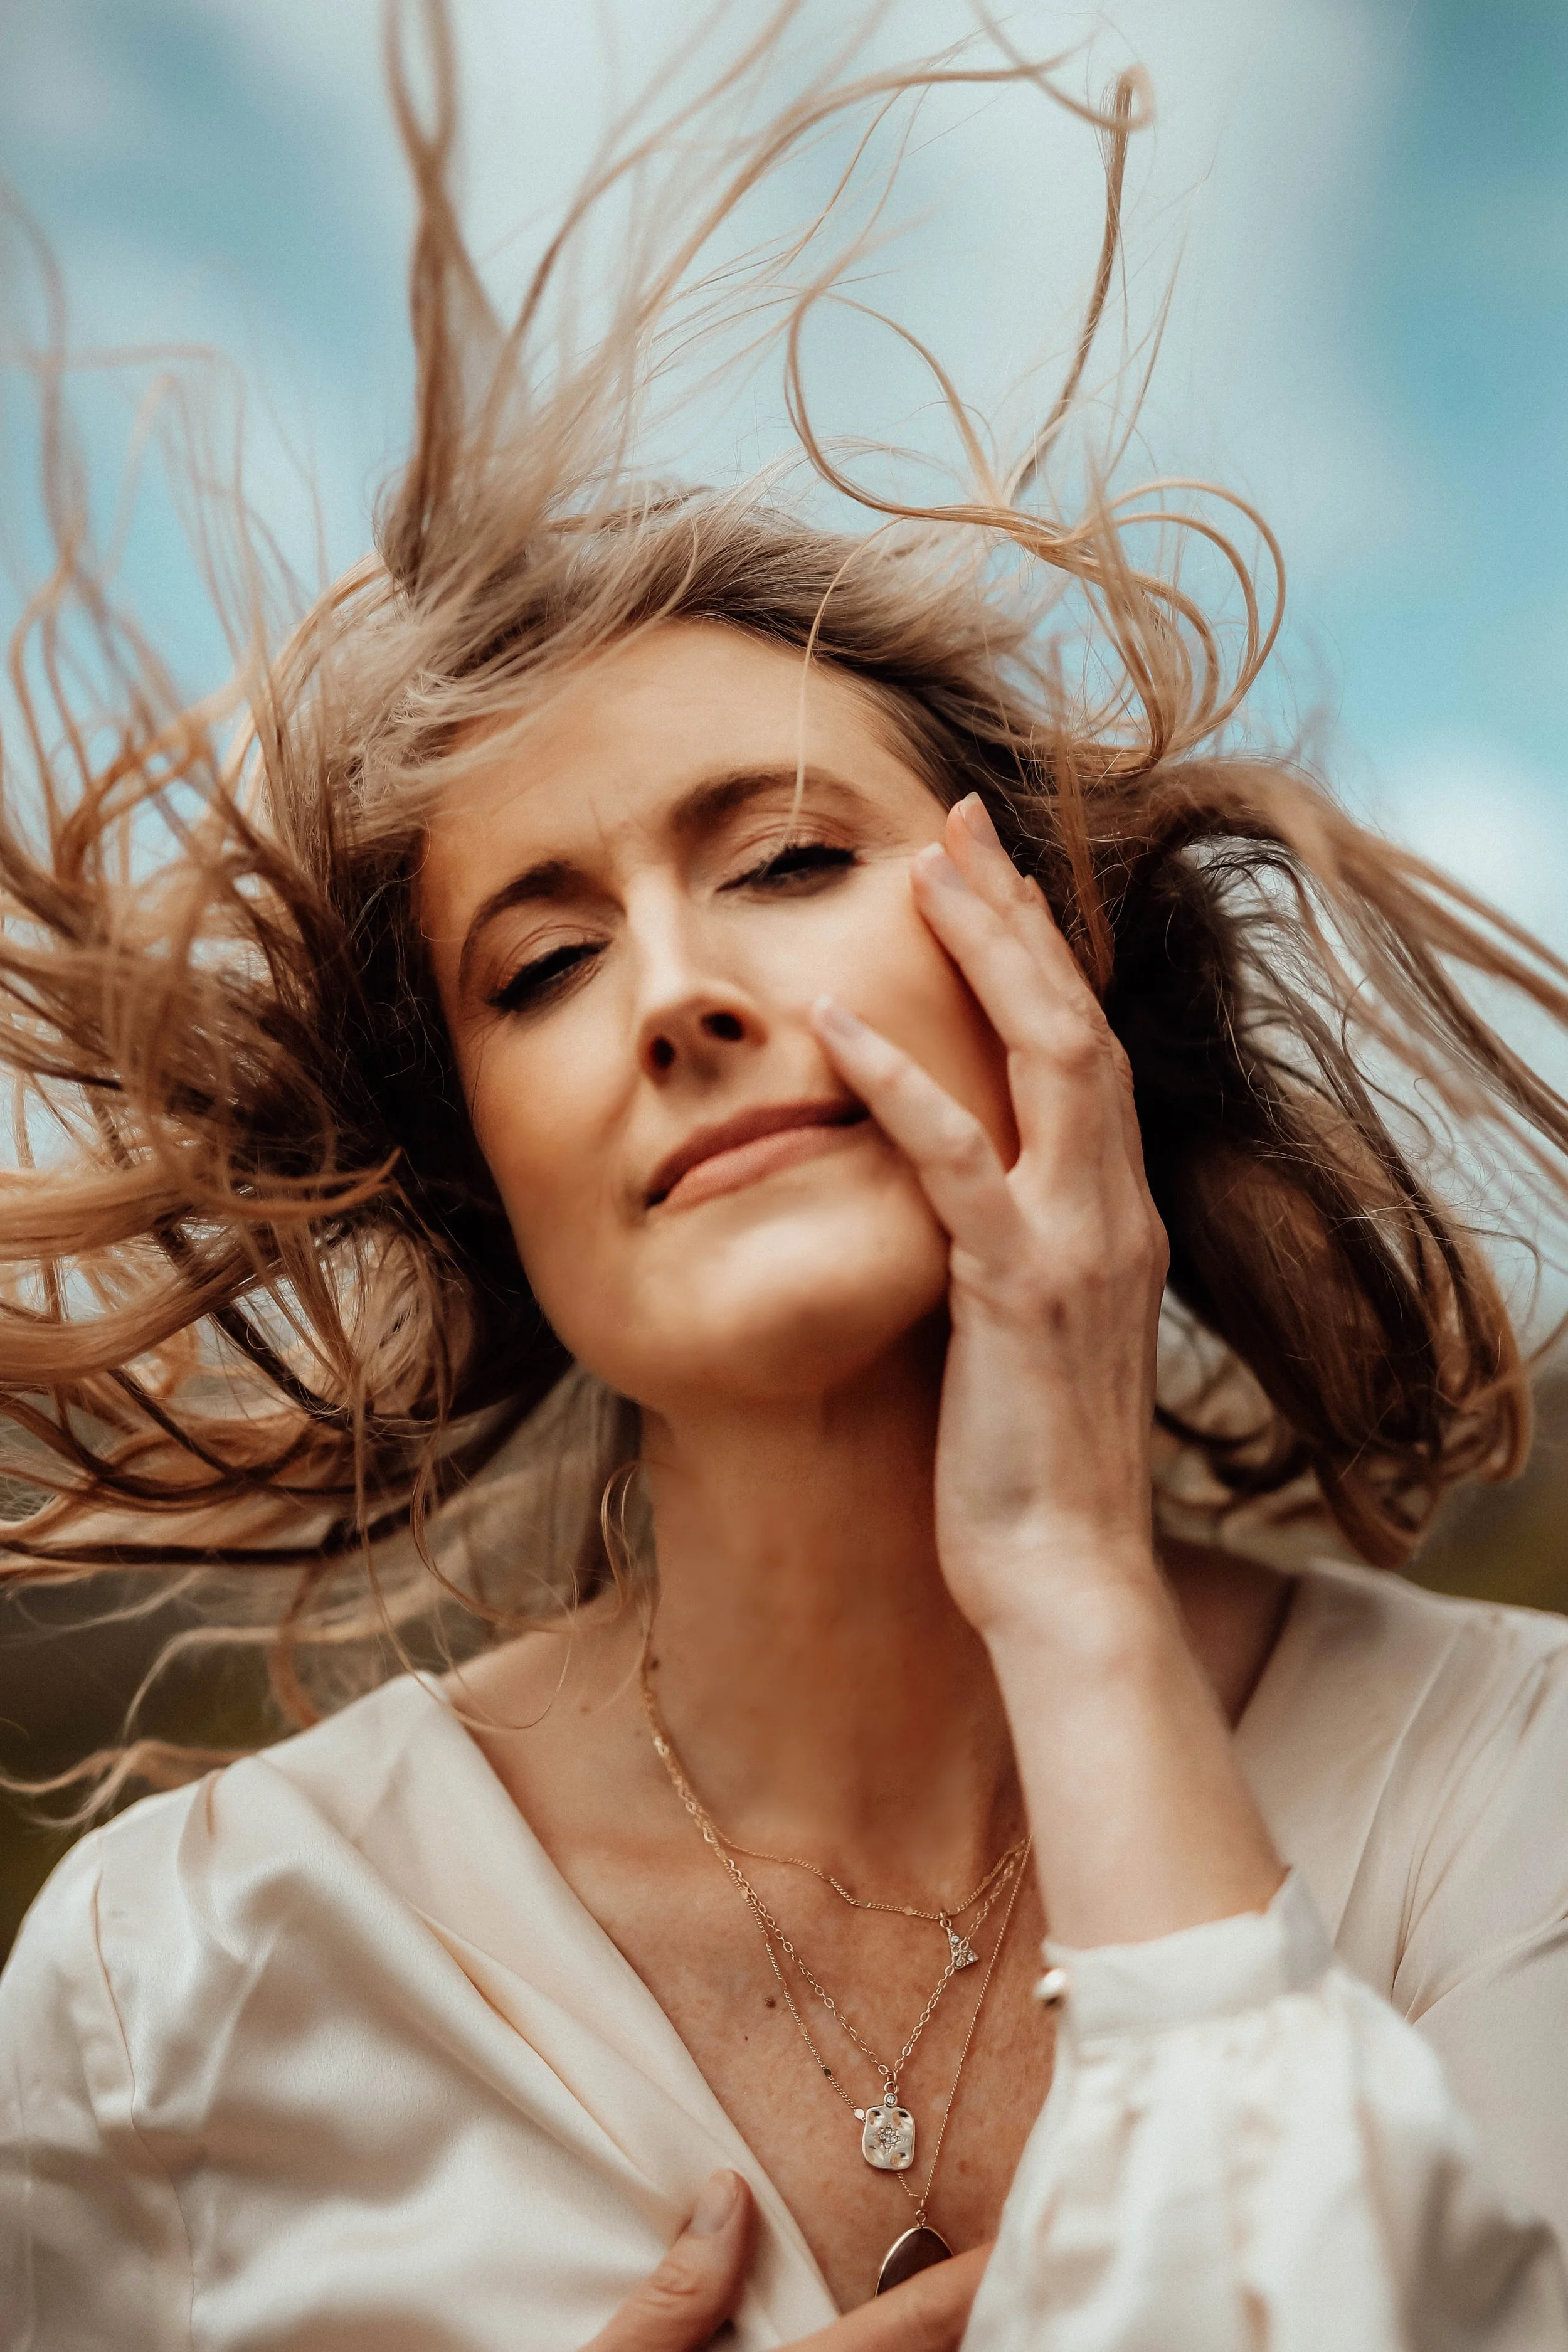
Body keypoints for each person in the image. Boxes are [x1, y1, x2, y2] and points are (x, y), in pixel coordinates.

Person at [0, 7, 1565, 2346]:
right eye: (537, 968)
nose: (668, 994)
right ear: (488, 1171)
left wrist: (1064, 1580)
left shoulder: (1513, 1794)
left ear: (1048, 956)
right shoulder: (175, 1986)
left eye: (789, 856)